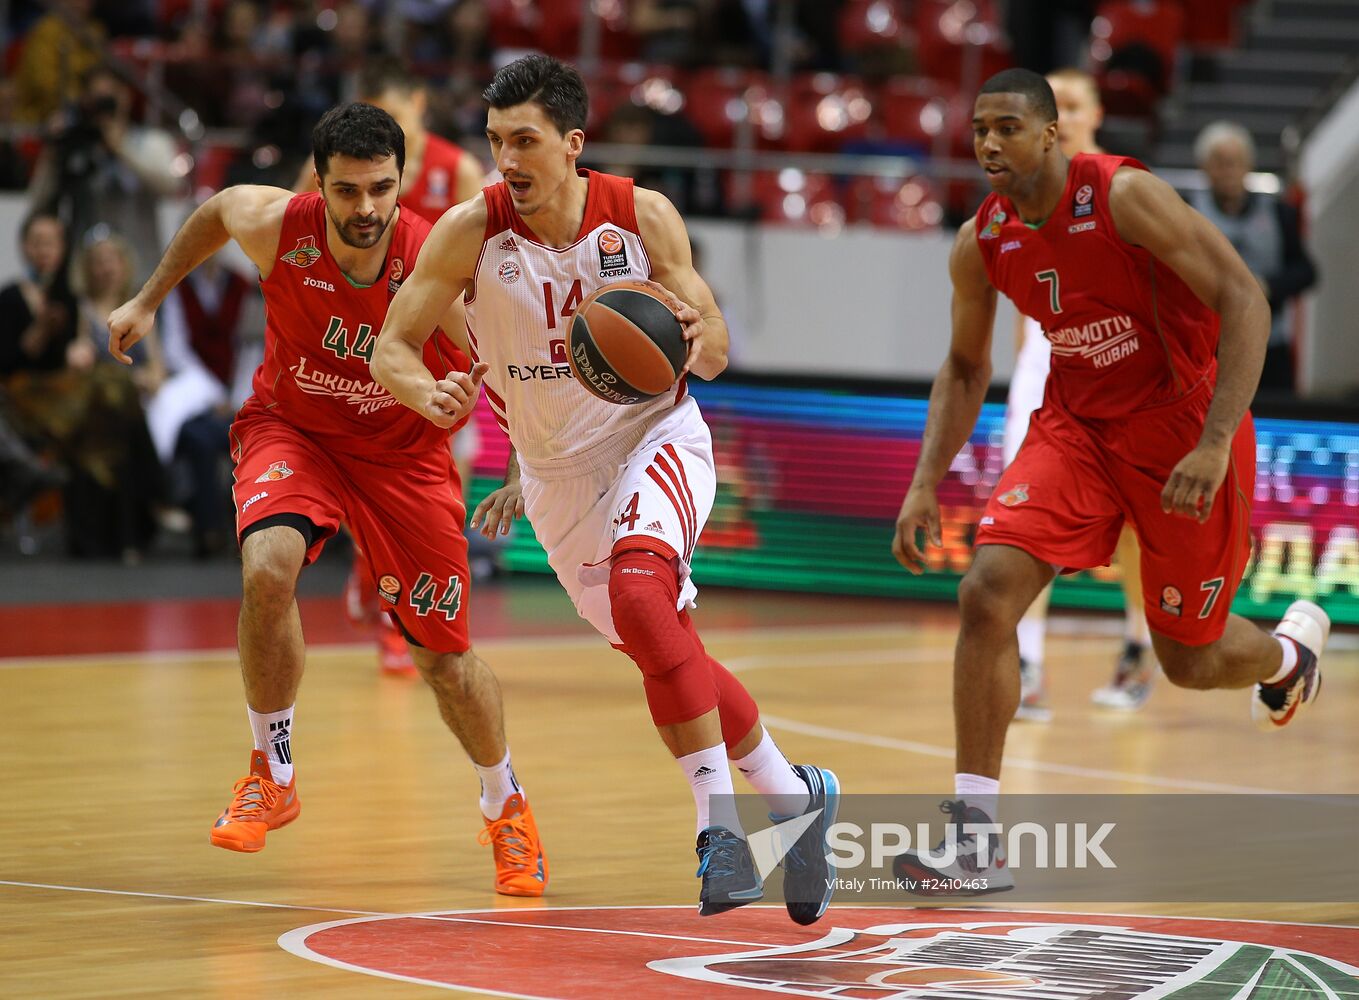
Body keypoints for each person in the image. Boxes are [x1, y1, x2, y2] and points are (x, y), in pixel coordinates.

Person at [372, 54, 839, 923]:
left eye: (525, 140)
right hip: (556, 481)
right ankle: (792, 796)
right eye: (494, 140)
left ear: (572, 144)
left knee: (640, 593)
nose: (505, 157)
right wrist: (424, 391)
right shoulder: (469, 231)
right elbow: (391, 346)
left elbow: (717, 344)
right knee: (663, 644)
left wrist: (698, 332)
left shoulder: (640, 216)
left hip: (651, 436)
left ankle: (721, 836)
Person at [890, 68, 1329, 893]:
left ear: (1052, 134)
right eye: (979, 127)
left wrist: (1213, 440)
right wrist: (924, 481)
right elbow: (961, 365)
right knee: (986, 592)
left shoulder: (1123, 195)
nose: (989, 142)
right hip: (1077, 427)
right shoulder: (980, 238)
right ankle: (974, 842)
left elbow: (1245, 298)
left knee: (1188, 662)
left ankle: (1284, 656)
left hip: (1181, 427)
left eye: (1008, 127)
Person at [105, 102, 548, 897]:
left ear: (400, 182)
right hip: (295, 431)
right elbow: (215, 213)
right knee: (267, 567)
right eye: (348, 191)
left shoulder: (437, 260)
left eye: (381, 189)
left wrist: (518, 464)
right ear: (320, 183)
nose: (367, 209)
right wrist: (147, 299)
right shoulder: (277, 223)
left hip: (403, 458)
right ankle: (271, 770)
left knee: (443, 662)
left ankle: (504, 803)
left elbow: (512, 361)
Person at [299, 55, 487, 676]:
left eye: (395, 115)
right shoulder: (337, 168)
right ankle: (387, 618)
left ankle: (389, 594)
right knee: (366, 475)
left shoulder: (456, 169)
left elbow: (483, 258)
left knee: (441, 474)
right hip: (356, 338)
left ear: (418, 109)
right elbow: (296, 238)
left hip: (437, 340)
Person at [1001, 68, 1156, 720]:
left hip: (1115, 357)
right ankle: (1028, 663)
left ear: (1093, 113)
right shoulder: (1020, 189)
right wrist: (1022, 371)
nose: (1060, 113)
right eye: (1050, 104)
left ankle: (1137, 647)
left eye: (1071, 102)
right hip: (1045, 357)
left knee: (1130, 521)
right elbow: (1015, 288)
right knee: (1024, 516)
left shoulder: (1123, 185)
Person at [1191, 121, 1318, 395]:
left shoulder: (1278, 213)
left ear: (1248, 165)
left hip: (1269, 345)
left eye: (1235, 162)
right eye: (1220, 162)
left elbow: (1306, 271)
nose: (1228, 170)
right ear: (1204, 167)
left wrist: (1267, 287)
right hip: (1208, 345)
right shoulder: (1187, 212)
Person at [28, 65, 184, 281]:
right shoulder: (76, 147)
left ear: (125, 97)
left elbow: (171, 185)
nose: (102, 107)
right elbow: (38, 199)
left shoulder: (151, 142)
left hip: (142, 272)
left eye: (108, 98)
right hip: (88, 275)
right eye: (95, 99)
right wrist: (54, 150)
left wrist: (121, 148)